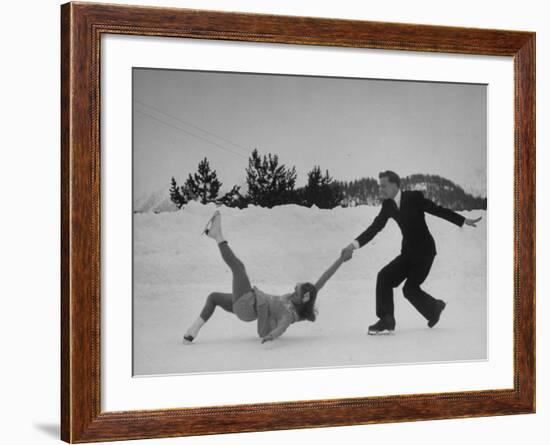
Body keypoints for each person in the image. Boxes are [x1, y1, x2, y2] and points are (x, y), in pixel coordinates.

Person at [341, 170, 482, 335]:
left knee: (410, 289)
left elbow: (437, 209)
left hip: (425, 252)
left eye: (384, 186)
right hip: (407, 253)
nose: (381, 190)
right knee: (384, 276)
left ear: (395, 185)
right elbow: (375, 228)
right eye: (380, 187)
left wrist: (462, 220)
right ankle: (387, 319)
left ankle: (434, 308)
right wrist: (353, 245)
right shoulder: (388, 205)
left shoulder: (414, 198)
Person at [183, 210, 351, 344]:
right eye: (294, 290)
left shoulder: (289, 314)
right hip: (246, 306)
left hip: (250, 304)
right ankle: (192, 331)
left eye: (296, 293)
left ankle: (217, 235)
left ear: (303, 299)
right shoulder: (300, 299)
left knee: (238, 268)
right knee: (213, 298)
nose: (292, 293)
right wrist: (341, 260)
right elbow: (324, 279)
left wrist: (271, 336)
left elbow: (279, 328)